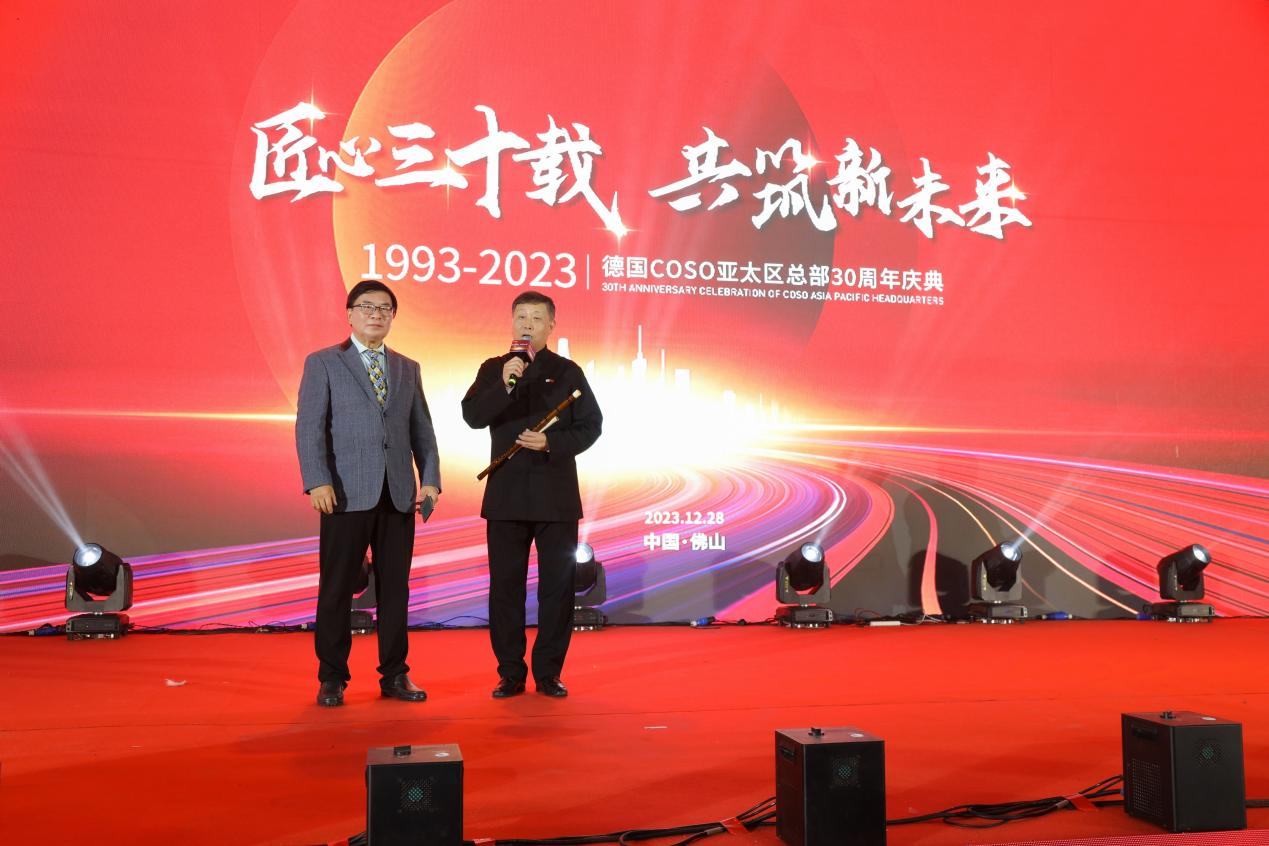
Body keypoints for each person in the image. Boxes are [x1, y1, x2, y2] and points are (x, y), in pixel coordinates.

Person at [296, 280, 441, 707]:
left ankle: (395, 674)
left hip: (398, 494)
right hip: (343, 493)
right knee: (337, 588)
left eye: (384, 309)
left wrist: (430, 479)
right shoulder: (324, 362)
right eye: (367, 307)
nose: (376, 315)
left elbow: (423, 431)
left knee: (396, 590)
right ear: (350, 314)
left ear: (392, 316)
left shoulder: (407, 367)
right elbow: (309, 427)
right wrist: (317, 480)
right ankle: (332, 677)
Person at [462, 292, 602, 698]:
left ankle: (548, 672)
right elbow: (473, 416)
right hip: (505, 495)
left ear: (550, 325)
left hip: (555, 497)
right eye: (521, 317)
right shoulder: (494, 368)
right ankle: (510, 672)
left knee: (557, 588)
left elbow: (591, 425)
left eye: (536, 318)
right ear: (512, 323)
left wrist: (550, 443)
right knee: (506, 588)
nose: (527, 324)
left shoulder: (567, 372)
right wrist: (504, 386)